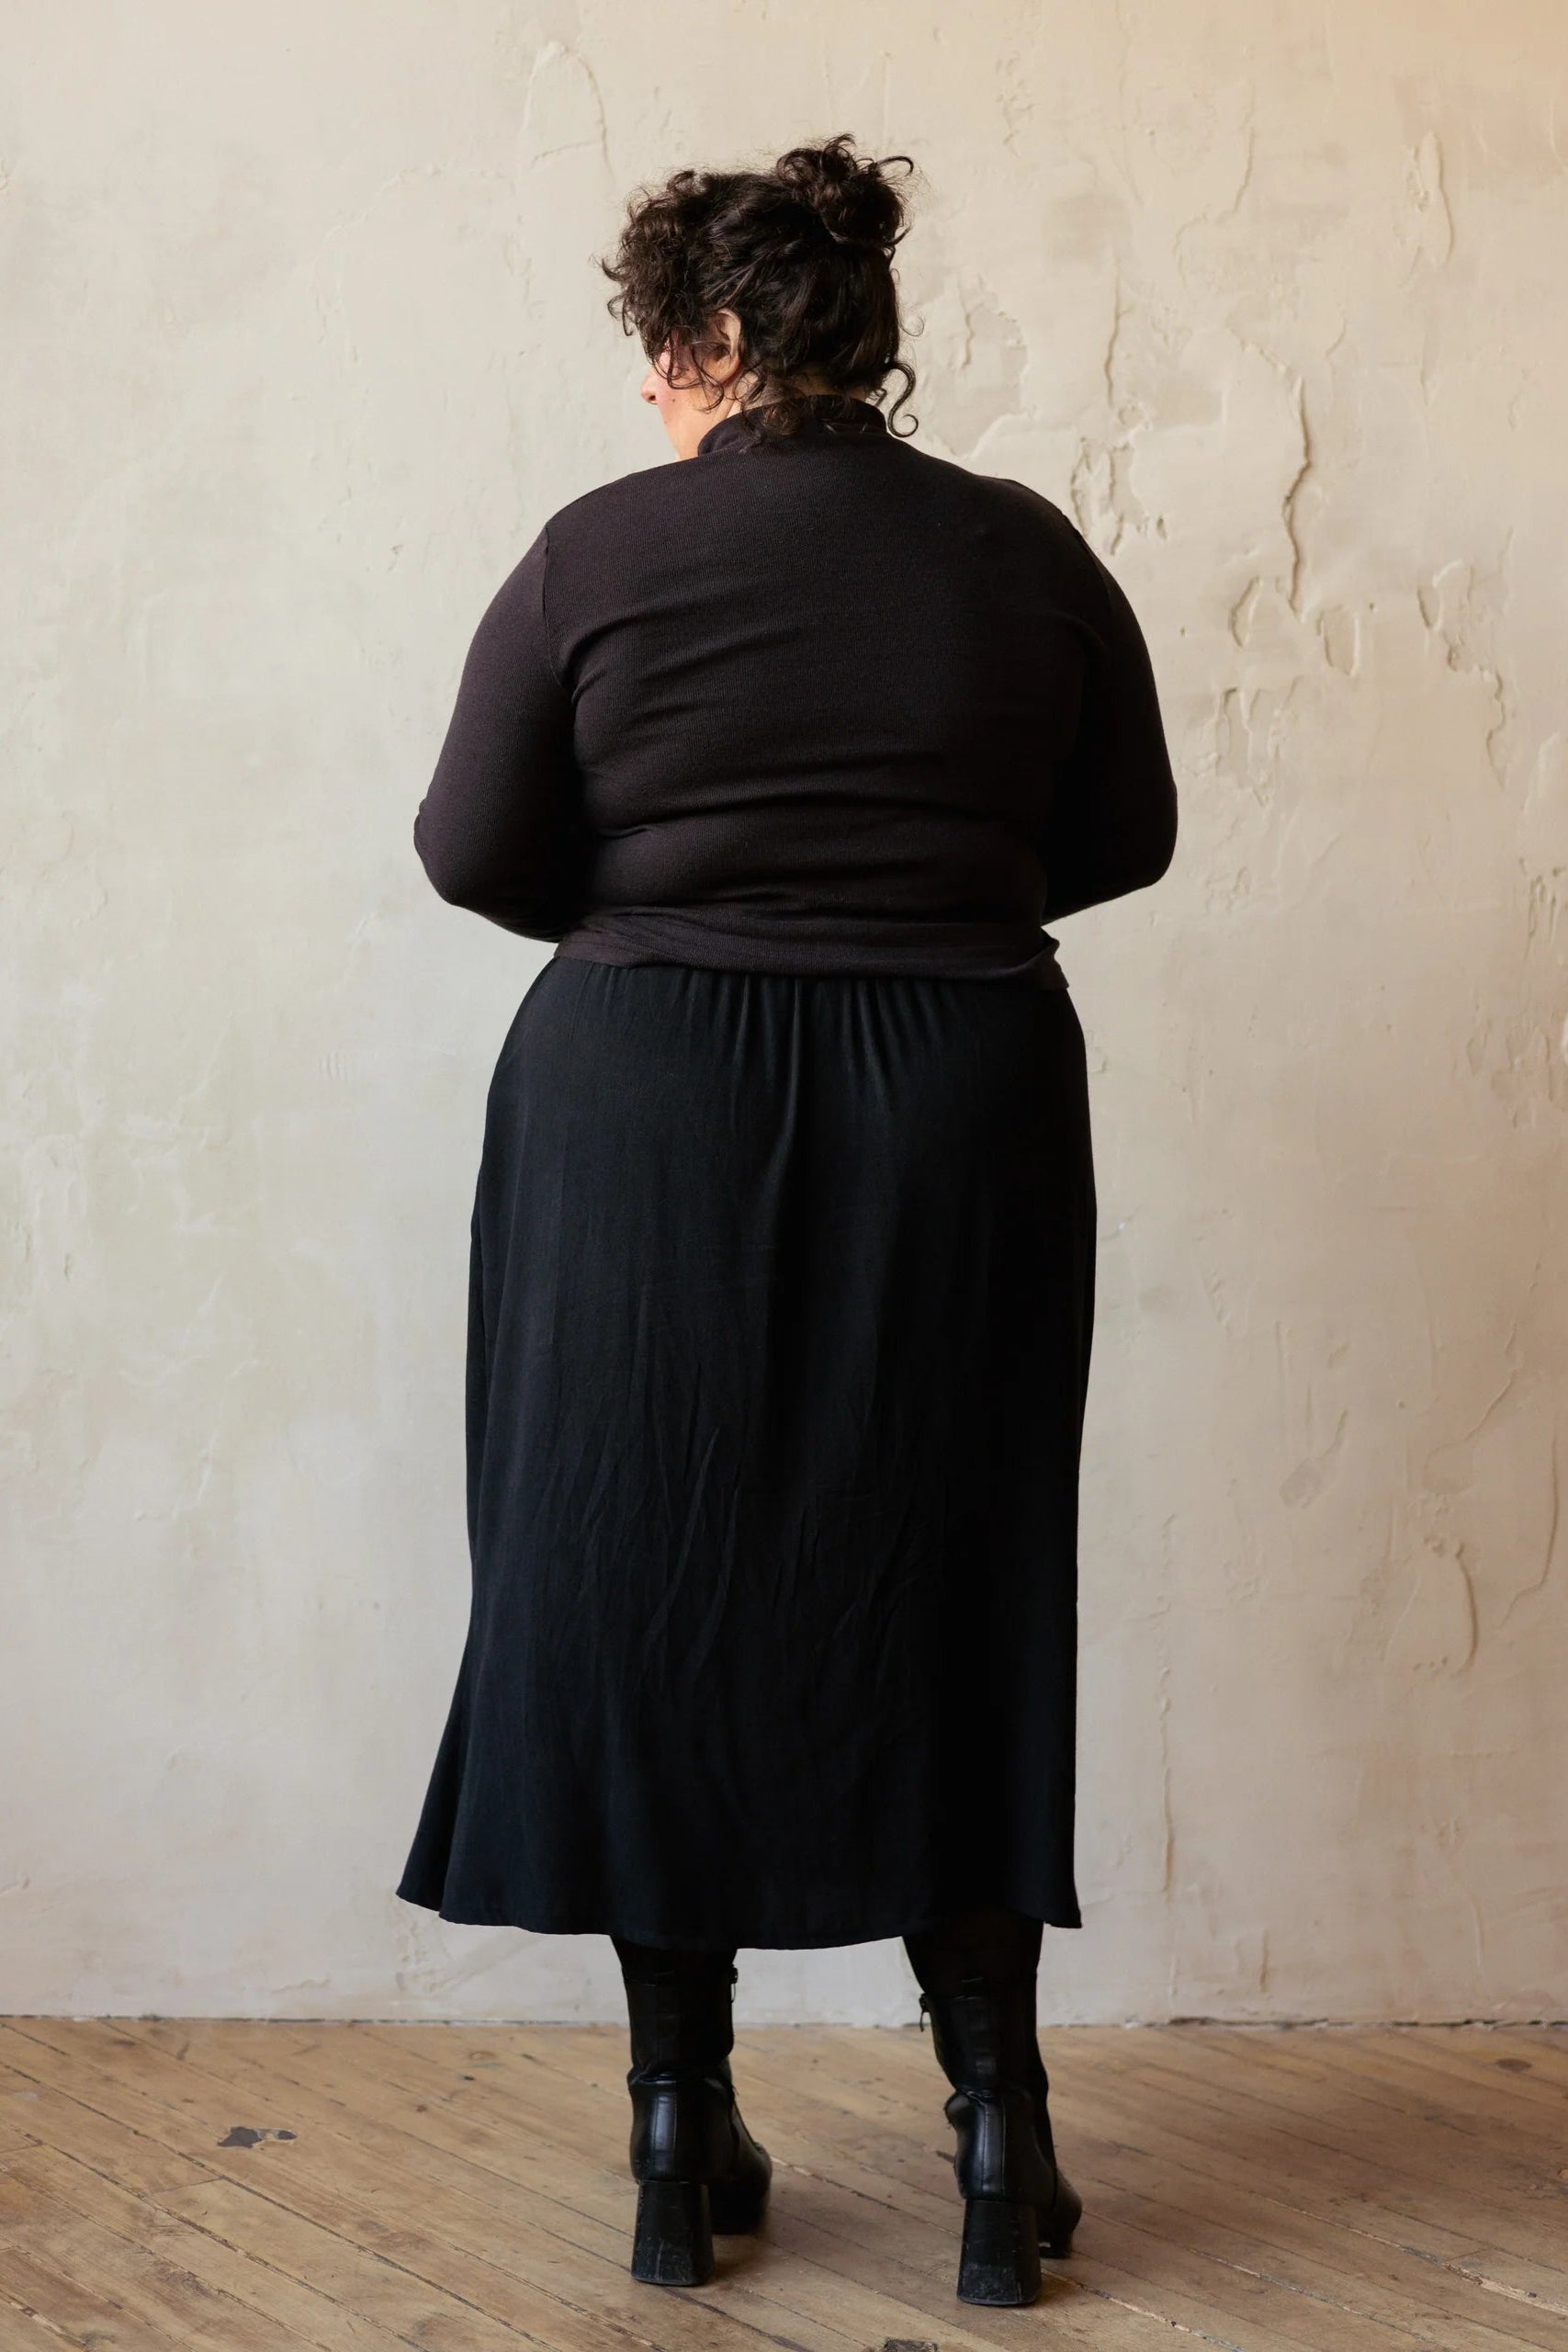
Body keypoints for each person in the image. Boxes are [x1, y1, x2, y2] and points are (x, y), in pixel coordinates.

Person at [395, 132, 1178, 2309]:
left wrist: (673, 926)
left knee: (643, 1569)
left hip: (639, 1099)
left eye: (657, 353)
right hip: (965, 1091)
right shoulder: (1019, 555)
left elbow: (470, 844)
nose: (646, 394)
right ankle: (995, 2127)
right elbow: (1124, 830)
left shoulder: (599, 552)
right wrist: (905, 918)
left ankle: (676, 2131)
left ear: (718, 342)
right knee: (952, 1562)